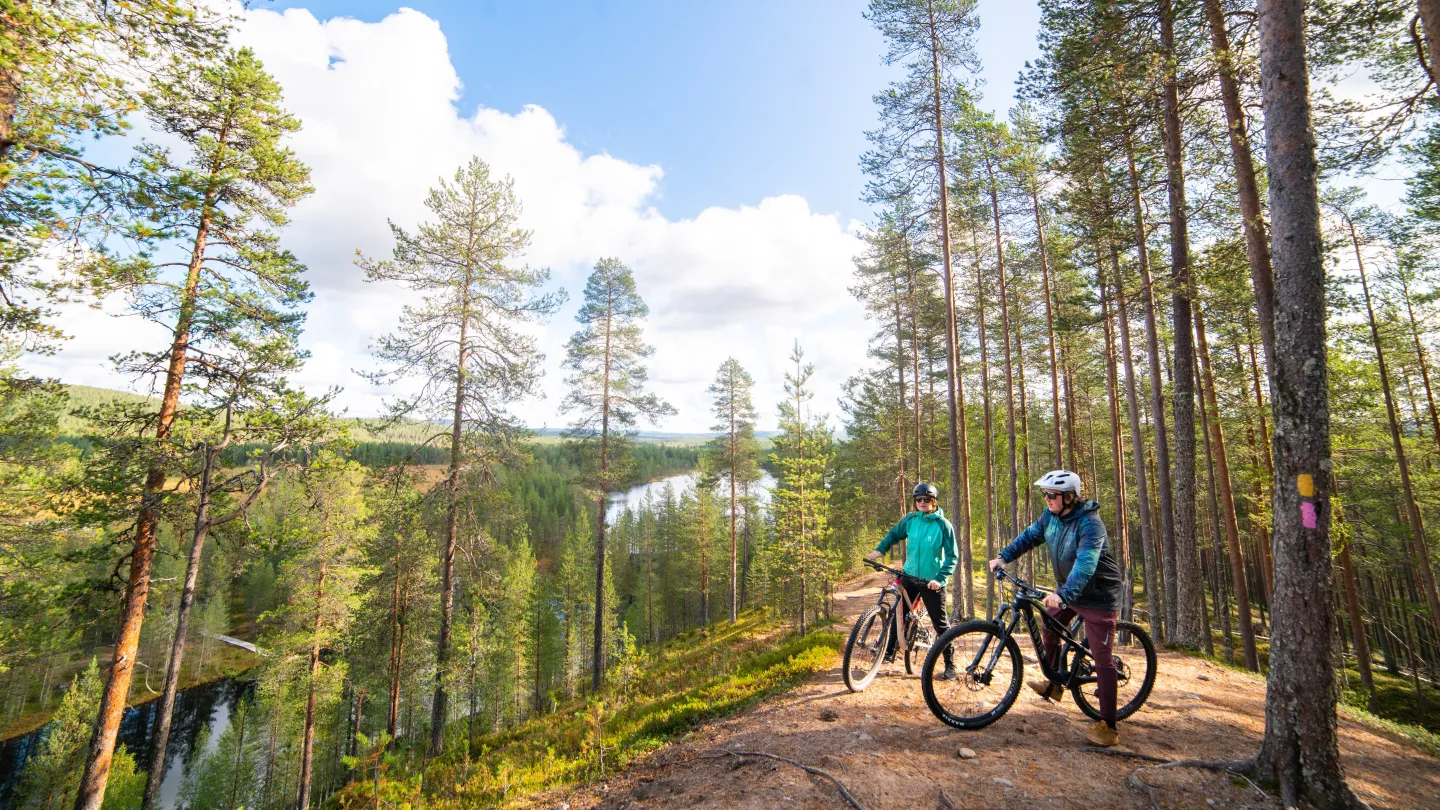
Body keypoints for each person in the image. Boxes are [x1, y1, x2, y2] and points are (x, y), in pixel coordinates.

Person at [987, 470, 1125, 748]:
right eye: (1045, 494)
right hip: (1071, 592)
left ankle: (1109, 727)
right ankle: (1055, 682)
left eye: (1053, 495)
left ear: (1070, 497)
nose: (1047, 499)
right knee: (1049, 624)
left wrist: (1063, 594)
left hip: (1099, 596)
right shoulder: (1050, 518)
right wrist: (1003, 556)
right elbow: (1029, 537)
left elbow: (1086, 564)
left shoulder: (1090, 525)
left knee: (1102, 658)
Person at [866, 482, 958, 680]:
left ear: (934, 501)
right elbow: (894, 534)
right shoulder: (910, 520)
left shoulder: (943, 525)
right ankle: (890, 651)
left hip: (931, 581)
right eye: (919, 499)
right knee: (898, 613)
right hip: (909, 576)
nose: (923, 502)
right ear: (915, 501)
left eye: (927, 499)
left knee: (940, 624)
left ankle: (950, 664)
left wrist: (940, 579)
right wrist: (881, 549)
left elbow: (952, 556)